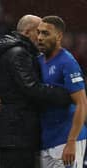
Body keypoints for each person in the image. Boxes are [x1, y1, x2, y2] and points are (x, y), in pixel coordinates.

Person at [0, 15, 72, 168]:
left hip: (15, 132)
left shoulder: (14, 52)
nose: (41, 37)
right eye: (39, 32)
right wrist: (64, 94)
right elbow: (32, 88)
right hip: (18, 134)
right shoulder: (19, 53)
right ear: (28, 32)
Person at [37, 15, 87, 168]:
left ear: (59, 36)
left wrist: (71, 142)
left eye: (45, 33)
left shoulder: (67, 62)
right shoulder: (38, 61)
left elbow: (82, 103)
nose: (39, 38)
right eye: (38, 32)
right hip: (46, 141)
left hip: (67, 140)